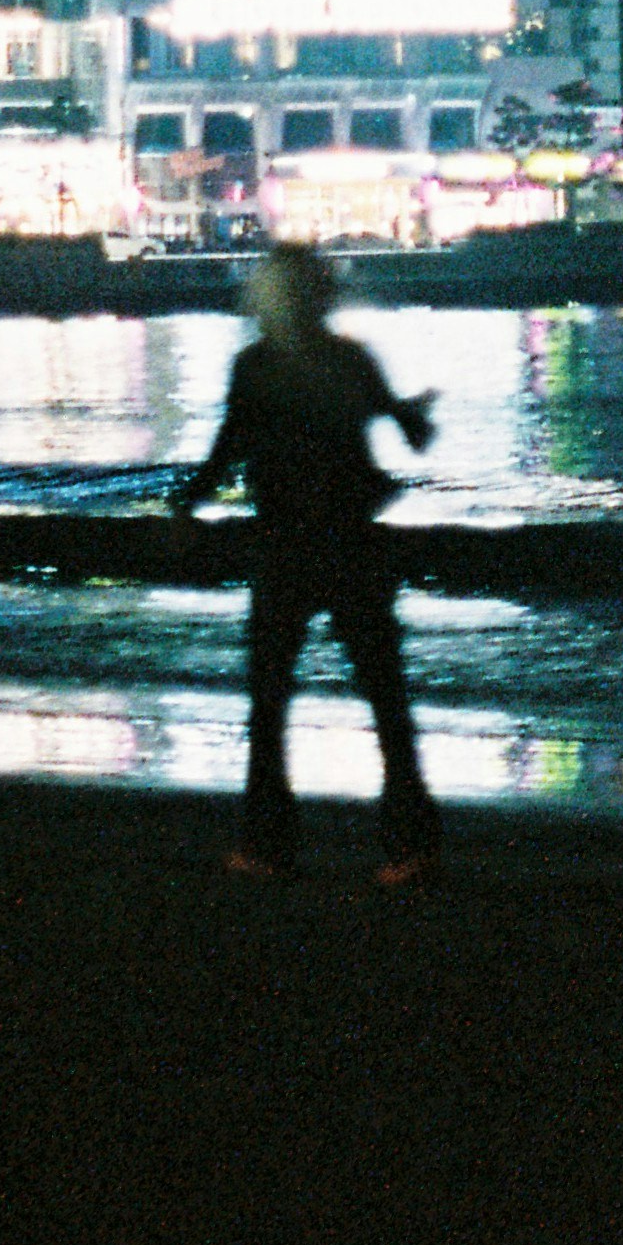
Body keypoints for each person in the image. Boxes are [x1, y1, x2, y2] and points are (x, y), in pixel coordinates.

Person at [173, 242, 442, 884]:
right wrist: (413, 411)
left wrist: (183, 506)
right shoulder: (350, 358)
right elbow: (414, 438)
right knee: (384, 697)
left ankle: (268, 844)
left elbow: (225, 453)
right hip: (352, 542)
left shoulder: (255, 366)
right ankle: (409, 845)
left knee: (268, 703)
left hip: (283, 545)